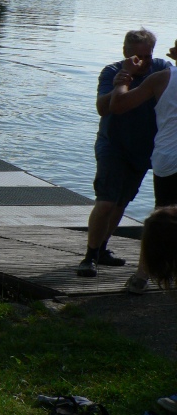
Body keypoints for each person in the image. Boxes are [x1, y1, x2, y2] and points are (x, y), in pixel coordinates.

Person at [78, 30, 170, 278]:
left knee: (121, 202)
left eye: (148, 55)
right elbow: (102, 108)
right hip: (113, 145)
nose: (144, 62)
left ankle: (102, 249)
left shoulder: (161, 68)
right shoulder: (112, 72)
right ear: (126, 54)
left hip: (143, 149)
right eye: (138, 57)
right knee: (106, 201)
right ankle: (89, 256)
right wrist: (124, 80)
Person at [109, 36, 177, 292]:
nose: (169, 49)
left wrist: (123, 79)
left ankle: (141, 276)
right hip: (169, 159)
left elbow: (119, 105)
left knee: (162, 220)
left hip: (169, 159)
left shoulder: (162, 78)